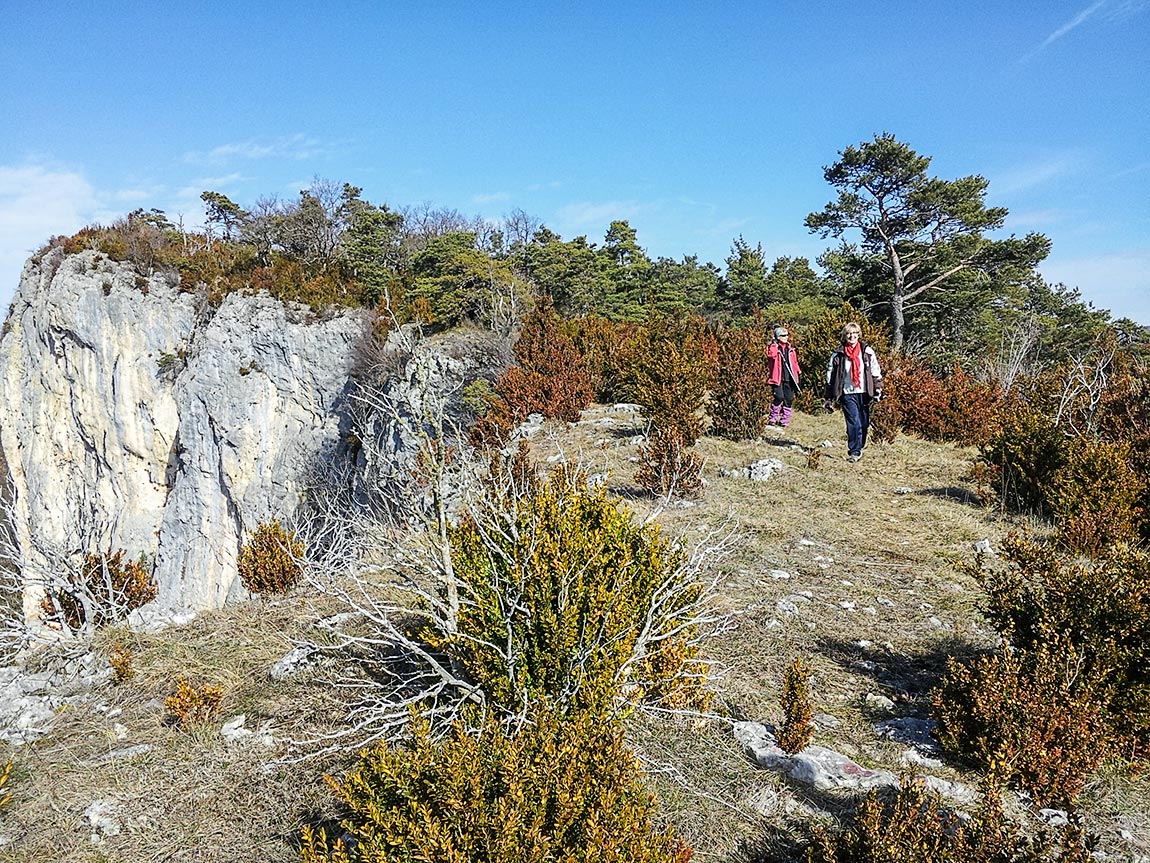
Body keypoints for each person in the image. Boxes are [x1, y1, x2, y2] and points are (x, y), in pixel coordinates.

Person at [823, 322, 883, 462]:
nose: (851, 336)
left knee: (864, 423)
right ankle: (854, 451)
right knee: (853, 422)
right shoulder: (838, 354)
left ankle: (860, 446)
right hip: (847, 392)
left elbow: (875, 370)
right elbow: (830, 374)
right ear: (845, 335)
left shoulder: (867, 351)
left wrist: (878, 388)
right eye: (848, 333)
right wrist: (828, 395)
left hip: (864, 392)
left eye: (854, 333)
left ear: (858, 335)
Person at [766, 326, 801, 427]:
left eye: (787, 335)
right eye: (783, 335)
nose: (786, 337)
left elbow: (794, 362)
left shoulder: (791, 349)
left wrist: (798, 371)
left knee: (789, 399)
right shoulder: (774, 347)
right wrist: (774, 345)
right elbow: (771, 355)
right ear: (778, 337)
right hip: (777, 377)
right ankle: (773, 417)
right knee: (779, 397)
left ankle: (785, 420)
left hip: (789, 377)